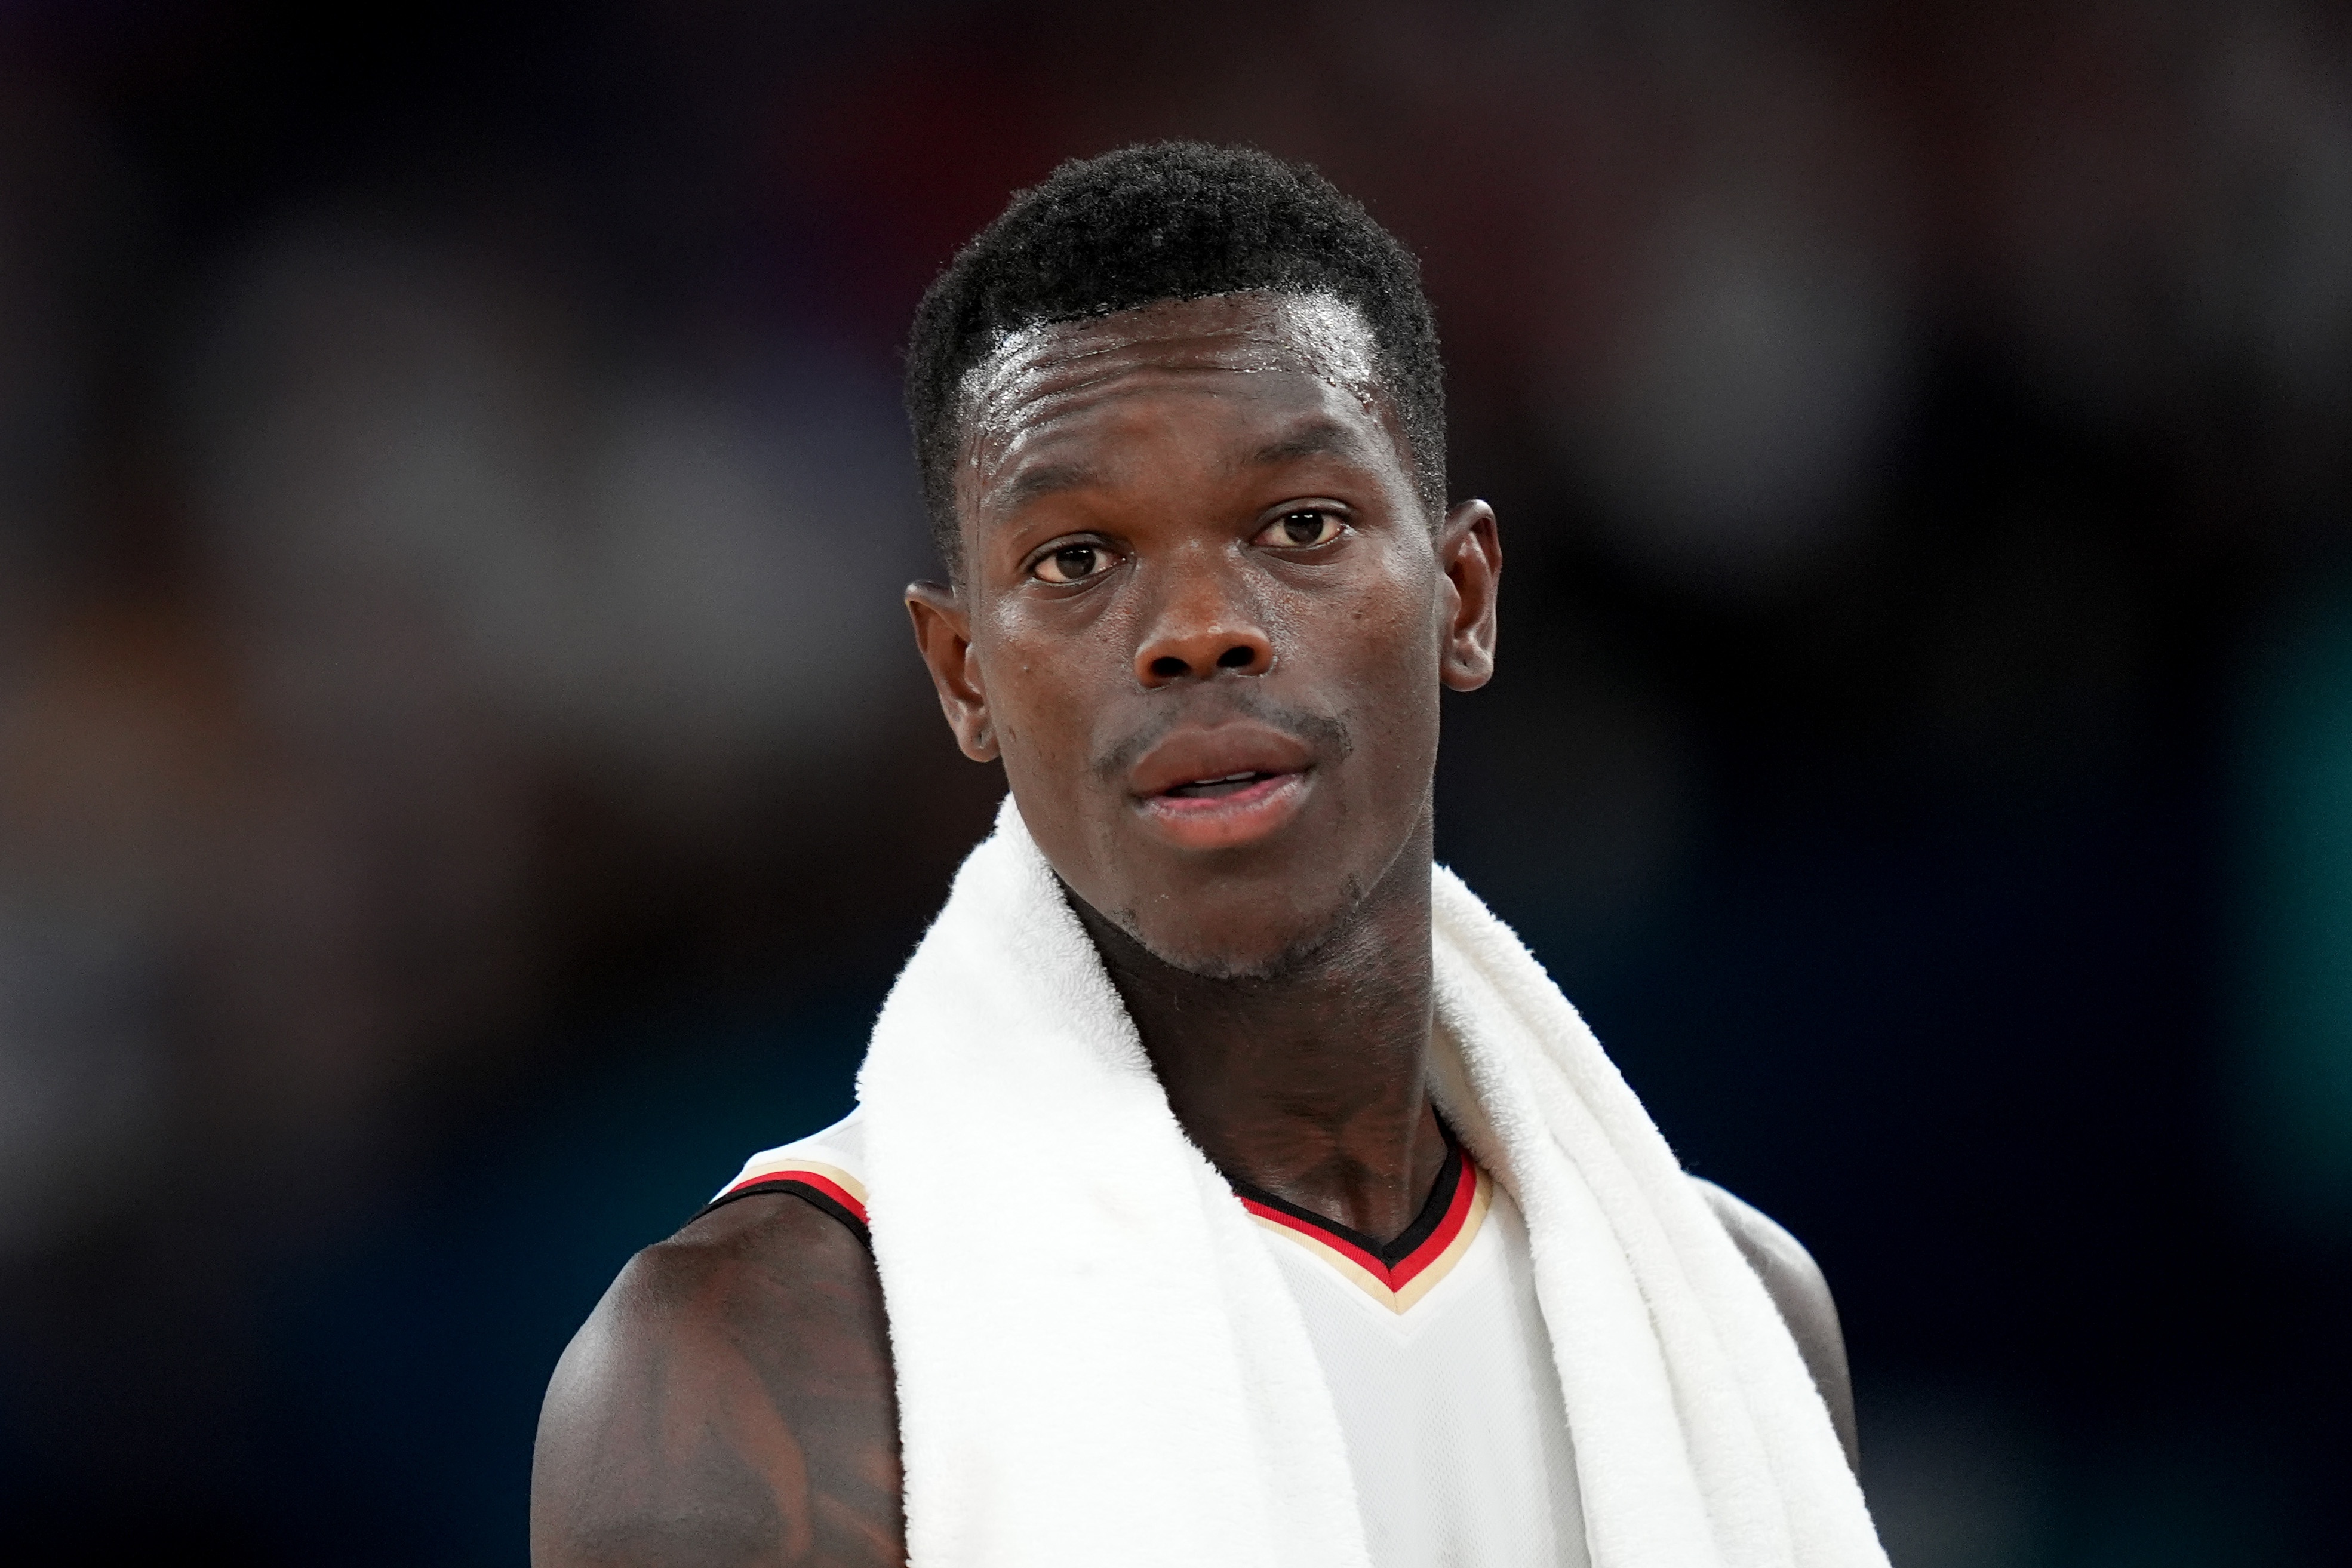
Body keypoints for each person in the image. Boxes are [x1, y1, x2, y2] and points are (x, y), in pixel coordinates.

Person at [531, 143, 1885, 1568]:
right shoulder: (742, 1368)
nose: (1196, 628)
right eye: (1075, 558)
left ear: (1463, 596)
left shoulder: (1733, 1313)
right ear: (962, 674)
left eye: (1298, 525)